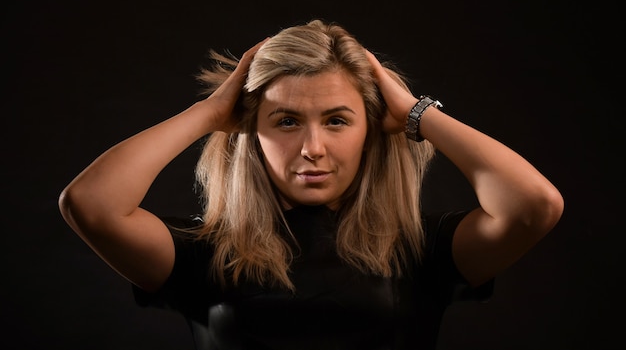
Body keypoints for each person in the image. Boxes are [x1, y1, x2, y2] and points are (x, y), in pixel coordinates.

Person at [58, 19, 564, 350]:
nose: (312, 147)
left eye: (338, 120)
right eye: (286, 121)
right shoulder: (206, 253)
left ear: (373, 130)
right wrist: (210, 112)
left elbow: (534, 205)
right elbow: (90, 204)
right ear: (252, 134)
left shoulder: (419, 248)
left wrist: (415, 113)